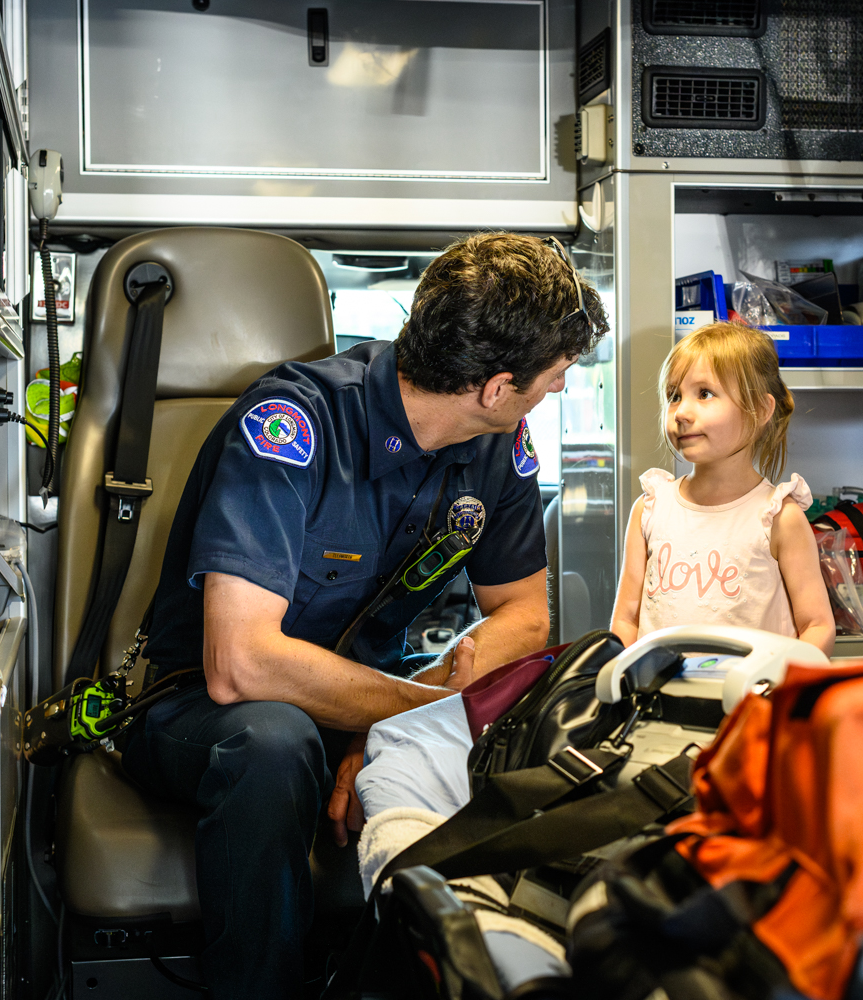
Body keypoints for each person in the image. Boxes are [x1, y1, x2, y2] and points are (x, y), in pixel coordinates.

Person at [119, 233, 608, 999]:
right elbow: (241, 664)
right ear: (494, 385)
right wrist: (411, 716)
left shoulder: (500, 449)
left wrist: (377, 727)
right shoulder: (293, 422)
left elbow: (520, 615)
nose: (555, 390)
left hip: (364, 703)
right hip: (197, 709)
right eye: (554, 377)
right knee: (273, 743)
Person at [609, 322, 834, 654]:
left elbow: (817, 627)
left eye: (704, 394)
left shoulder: (778, 519)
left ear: (759, 410)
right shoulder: (650, 510)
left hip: (750, 702)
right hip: (661, 703)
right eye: (674, 396)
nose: (681, 412)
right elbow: (626, 620)